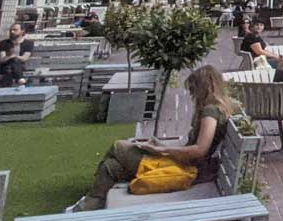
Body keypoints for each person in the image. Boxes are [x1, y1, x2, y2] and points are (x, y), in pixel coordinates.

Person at [74, 66, 233, 210]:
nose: (191, 94)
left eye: (193, 89)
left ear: (204, 88)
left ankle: (90, 203)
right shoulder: (218, 109)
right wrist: (161, 145)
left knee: (118, 147)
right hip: (184, 162)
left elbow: (200, 150)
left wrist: (163, 150)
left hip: (185, 167)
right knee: (110, 166)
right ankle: (92, 202)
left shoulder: (210, 112)